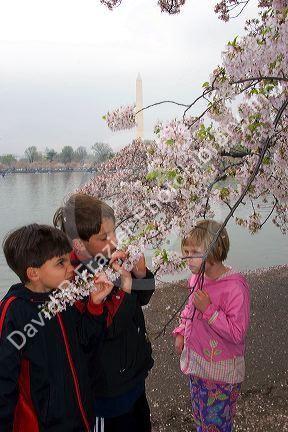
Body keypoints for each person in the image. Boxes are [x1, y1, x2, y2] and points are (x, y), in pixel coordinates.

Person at [53, 193, 155, 432]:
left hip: (134, 377)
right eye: (104, 237)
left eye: (114, 232)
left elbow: (143, 298)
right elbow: (104, 330)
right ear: (79, 244)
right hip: (106, 392)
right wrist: (126, 290)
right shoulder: (73, 283)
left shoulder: (109, 259)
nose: (115, 241)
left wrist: (141, 276)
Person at [0, 224, 114, 432]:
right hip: (44, 424)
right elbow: (4, 382)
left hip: (80, 416)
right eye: (61, 263)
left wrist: (95, 306)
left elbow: (85, 344)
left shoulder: (63, 296)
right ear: (33, 273)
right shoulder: (15, 313)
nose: (71, 268)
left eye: (68, 259)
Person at [173, 219, 250, 432]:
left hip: (221, 375)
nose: (187, 257)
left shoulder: (235, 288)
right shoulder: (196, 279)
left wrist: (209, 310)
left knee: (217, 424)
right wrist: (180, 331)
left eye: (193, 252)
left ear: (214, 250)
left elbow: (237, 333)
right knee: (200, 417)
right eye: (185, 250)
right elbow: (189, 308)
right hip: (197, 365)